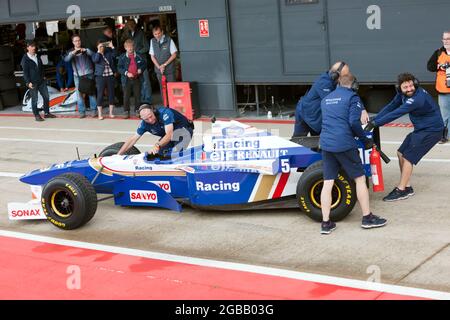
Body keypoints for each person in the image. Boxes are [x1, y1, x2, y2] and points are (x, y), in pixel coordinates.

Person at [319, 73, 387, 234]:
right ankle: (367, 218)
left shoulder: (326, 99)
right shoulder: (352, 98)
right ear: (354, 85)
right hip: (344, 144)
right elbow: (353, 122)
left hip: (326, 144)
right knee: (360, 179)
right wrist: (365, 141)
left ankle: (326, 223)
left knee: (328, 182)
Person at [366, 73, 444, 202]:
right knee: (400, 153)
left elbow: (397, 113)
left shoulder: (417, 98)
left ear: (415, 84)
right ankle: (407, 187)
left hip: (432, 130)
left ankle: (401, 189)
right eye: (405, 87)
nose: (409, 89)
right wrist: (376, 118)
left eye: (411, 86)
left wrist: (376, 123)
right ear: (399, 88)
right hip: (421, 129)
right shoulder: (401, 94)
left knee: (408, 157)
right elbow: (391, 107)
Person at [293, 61, 369, 137]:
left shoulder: (337, 81)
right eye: (344, 75)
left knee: (317, 144)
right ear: (335, 75)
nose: (346, 78)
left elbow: (349, 93)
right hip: (305, 114)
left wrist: (362, 109)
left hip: (317, 117)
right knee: (297, 142)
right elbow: (334, 103)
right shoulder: (324, 82)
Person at [118, 104, 194, 157]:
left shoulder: (165, 113)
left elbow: (169, 135)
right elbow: (132, 139)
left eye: (151, 116)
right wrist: (118, 155)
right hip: (170, 135)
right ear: (142, 119)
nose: (150, 120)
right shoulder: (144, 124)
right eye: (146, 119)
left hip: (183, 131)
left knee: (175, 155)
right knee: (158, 156)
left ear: (153, 111)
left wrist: (157, 145)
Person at [20, 40, 56, 121]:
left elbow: (42, 67)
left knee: (46, 97)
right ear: (27, 48)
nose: (34, 48)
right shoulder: (25, 59)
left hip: (41, 81)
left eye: (34, 46)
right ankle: (36, 115)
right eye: (31, 46)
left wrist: (43, 76)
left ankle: (46, 113)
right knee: (35, 99)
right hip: (32, 82)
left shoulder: (37, 56)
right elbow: (25, 72)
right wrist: (28, 82)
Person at [64, 35, 97, 118]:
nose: (78, 42)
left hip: (88, 73)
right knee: (79, 94)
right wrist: (73, 53)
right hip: (77, 76)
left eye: (79, 40)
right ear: (73, 42)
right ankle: (82, 112)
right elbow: (66, 60)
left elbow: (93, 54)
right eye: (75, 41)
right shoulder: (70, 51)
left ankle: (94, 111)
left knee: (91, 93)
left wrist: (85, 50)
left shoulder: (85, 49)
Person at [121, 19, 152, 104]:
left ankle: (148, 100)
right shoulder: (127, 34)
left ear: (135, 24)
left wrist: (137, 53)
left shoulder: (141, 33)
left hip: (141, 60)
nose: (130, 26)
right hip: (132, 62)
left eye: (131, 25)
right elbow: (124, 45)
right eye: (128, 25)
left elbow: (146, 47)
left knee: (145, 81)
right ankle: (141, 100)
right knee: (139, 82)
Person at [427, 30, 450, 143]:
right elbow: (430, 67)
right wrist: (439, 66)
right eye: (444, 39)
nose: (446, 41)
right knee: (444, 115)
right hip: (443, 89)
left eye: (448, 39)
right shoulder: (438, 53)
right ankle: (443, 136)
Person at [117, 39, 147, 118]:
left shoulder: (139, 55)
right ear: (125, 48)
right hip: (126, 79)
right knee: (126, 95)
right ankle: (126, 111)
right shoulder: (122, 57)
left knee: (137, 95)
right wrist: (126, 73)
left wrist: (141, 69)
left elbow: (144, 64)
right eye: (128, 47)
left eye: (131, 46)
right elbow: (119, 68)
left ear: (134, 47)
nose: (130, 48)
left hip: (137, 78)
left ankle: (137, 110)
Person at [149, 26, 178, 95]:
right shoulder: (152, 41)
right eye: (155, 34)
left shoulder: (169, 40)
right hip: (159, 70)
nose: (157, 35)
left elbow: (174, 54)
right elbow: (152, 56)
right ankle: (165, 105)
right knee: (162, 90)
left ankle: (173, 105)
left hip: (170, 70)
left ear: (162, 32)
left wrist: (164, 65)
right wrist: (159, 67)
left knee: (173, 89)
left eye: (159, 33)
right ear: (153, 34)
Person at [92, 40, 117, 119]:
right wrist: (99, 52)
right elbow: (95, 60)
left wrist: (112, 46)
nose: (102, 48)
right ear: (97, 47)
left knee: (111, 93)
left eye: (102, 46)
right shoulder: (95, 54)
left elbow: (115, 55)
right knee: (100, 94)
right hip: (100, 76)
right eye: (100, 46)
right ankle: (100, 114)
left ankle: (111, 113)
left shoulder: (108, 53)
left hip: (110, 75)